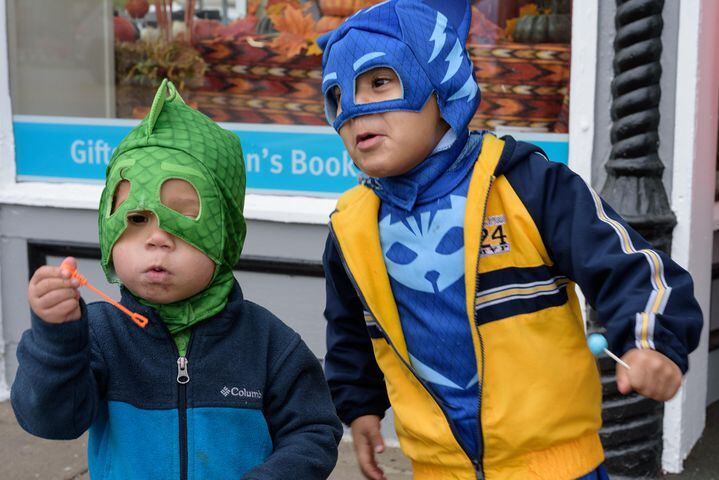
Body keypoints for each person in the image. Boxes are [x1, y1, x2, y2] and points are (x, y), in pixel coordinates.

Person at [318, 1, 703, 479]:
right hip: (439, 469)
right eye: (337, 94)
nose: (355, 111)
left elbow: (628, 265)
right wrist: (360, 408)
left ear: (440, 80)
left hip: (556, 466)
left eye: (379, 81)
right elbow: (350, 330)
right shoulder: (350, 229)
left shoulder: (526, 186)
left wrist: (651, 341)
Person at [12, 79, 342, 480]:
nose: (156, 239)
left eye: (183, 217)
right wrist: (56, 340)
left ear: (225, 237)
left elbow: (314, 431)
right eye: (135, 219)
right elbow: (51, 421)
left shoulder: (269, 343)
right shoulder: (100, 335)